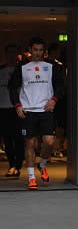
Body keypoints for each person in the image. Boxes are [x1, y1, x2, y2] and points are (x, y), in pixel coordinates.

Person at [8, 37, 65, 190]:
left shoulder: (52, 66)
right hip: (28, 111)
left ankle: (43, 164)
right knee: (30, 144)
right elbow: (12, 87)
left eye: (41, 50)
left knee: (49, 142)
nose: (38, 53)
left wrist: (54, 99)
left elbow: (61, 85)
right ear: (30, 50)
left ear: (44, 52)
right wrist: (18, 105)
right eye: (35, 50)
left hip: (46, 110)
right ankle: (32, 178)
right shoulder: (22, 67)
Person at [0, 45, 24, 177]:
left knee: (19, 138)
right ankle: (11, 165)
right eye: (9, 52)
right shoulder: (1, 70)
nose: (11, 55)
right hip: (3, 108)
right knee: (7, 138)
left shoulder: (21, 69)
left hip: (18, 108)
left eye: (14, 52)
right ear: (5, 54)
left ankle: (18, 164)